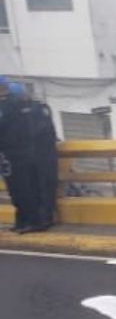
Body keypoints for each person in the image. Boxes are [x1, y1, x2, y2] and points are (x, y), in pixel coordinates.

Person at [0, 80, 58, 234]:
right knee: (34, 188)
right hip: (36, 156)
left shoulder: (7, 107)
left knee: (23, 190)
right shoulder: (37, 107)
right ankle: (34, 220)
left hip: (16, 157)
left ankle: (28, 221)